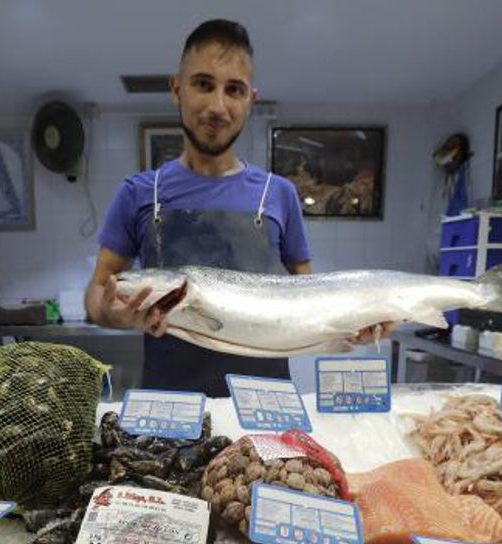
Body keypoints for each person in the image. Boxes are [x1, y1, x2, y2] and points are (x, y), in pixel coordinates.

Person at [85, 19, 384, 397]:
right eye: (203, 84)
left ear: (250, 101)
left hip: (267, 404)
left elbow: (309, 297)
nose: (218, 106)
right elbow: (97, 291)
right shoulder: (139, 192)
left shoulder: (279, 194)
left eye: (234, 90)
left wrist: (355, 322)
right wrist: (113, 313)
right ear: (177, 89)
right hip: (172, 410)